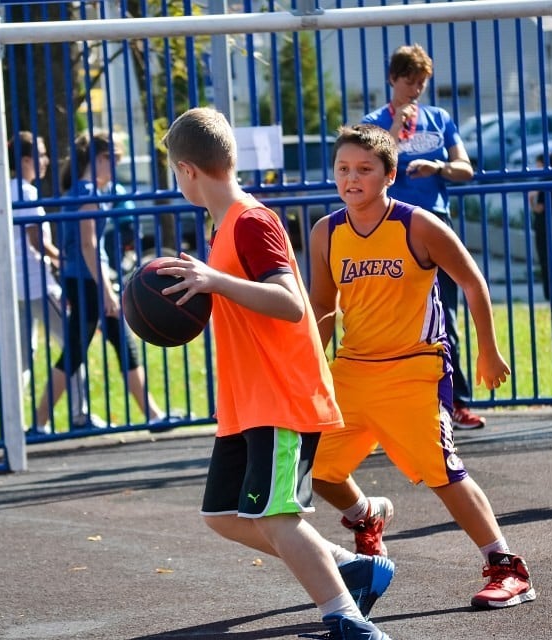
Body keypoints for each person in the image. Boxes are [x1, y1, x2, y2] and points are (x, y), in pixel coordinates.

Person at [158, 107, 394, 639]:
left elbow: (291, 303)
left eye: (174, 172)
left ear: (188, 170)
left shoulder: (251, 220)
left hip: (281, 397)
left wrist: (215, 280)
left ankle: (346, 618)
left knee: (275, 517)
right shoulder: (223, 230)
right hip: (246, 403)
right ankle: (351, 566)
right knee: (222, 514)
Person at [308, 124, 535, 609]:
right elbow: (323, 307)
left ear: (389, 175)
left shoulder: (418, 225)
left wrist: (488, 351)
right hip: (353, 369)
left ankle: (507, 566)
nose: (352, 179)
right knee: (316, 470)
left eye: (364, 170)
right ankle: (366, 516)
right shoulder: (325, 232)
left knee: (441, 470)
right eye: (343, 169)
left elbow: (473, 283)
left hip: (415, 367)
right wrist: (310, 368)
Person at [362, 43, 484, 430]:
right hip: (392, 224)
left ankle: (456, 402)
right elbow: (368, 165)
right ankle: (390, 405)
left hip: (436, 221)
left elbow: (465, 168)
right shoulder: (373, 121)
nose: (415, 90)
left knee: (444, 312)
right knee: (391, 313)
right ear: (392, 79)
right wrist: (394, 129)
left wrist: (440, 167)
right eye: (409, 82)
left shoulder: (440, 117)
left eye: (421, 83)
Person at [32, 131, 175, 434]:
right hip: (88, 281)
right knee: (75, 351)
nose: (115, 169)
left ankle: (153, 414)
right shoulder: (87, 193)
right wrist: (107, 291)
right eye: (113, 161)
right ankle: (39, 422)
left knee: (119, 345)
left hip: (84, 278)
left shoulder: (81, 190)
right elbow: (88, 246)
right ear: (98, 159)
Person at [7, 131, 98, 436]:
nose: (46, 161)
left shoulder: (6, 189)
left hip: (14, 286)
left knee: (22, 357)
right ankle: (79, 414)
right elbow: (35, 240)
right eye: (42, 154)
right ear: (26, 160)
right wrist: (63, 259)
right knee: (73, 345)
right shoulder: (27, 193)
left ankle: (16, 424)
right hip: (37, 283)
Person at [528, 152, 552, 301]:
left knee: (546, 259)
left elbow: (531, 195)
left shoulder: (543, 179)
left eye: (538, 164)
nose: (537, 167)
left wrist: (534, 207)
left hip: (544, 222)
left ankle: (550, 294)